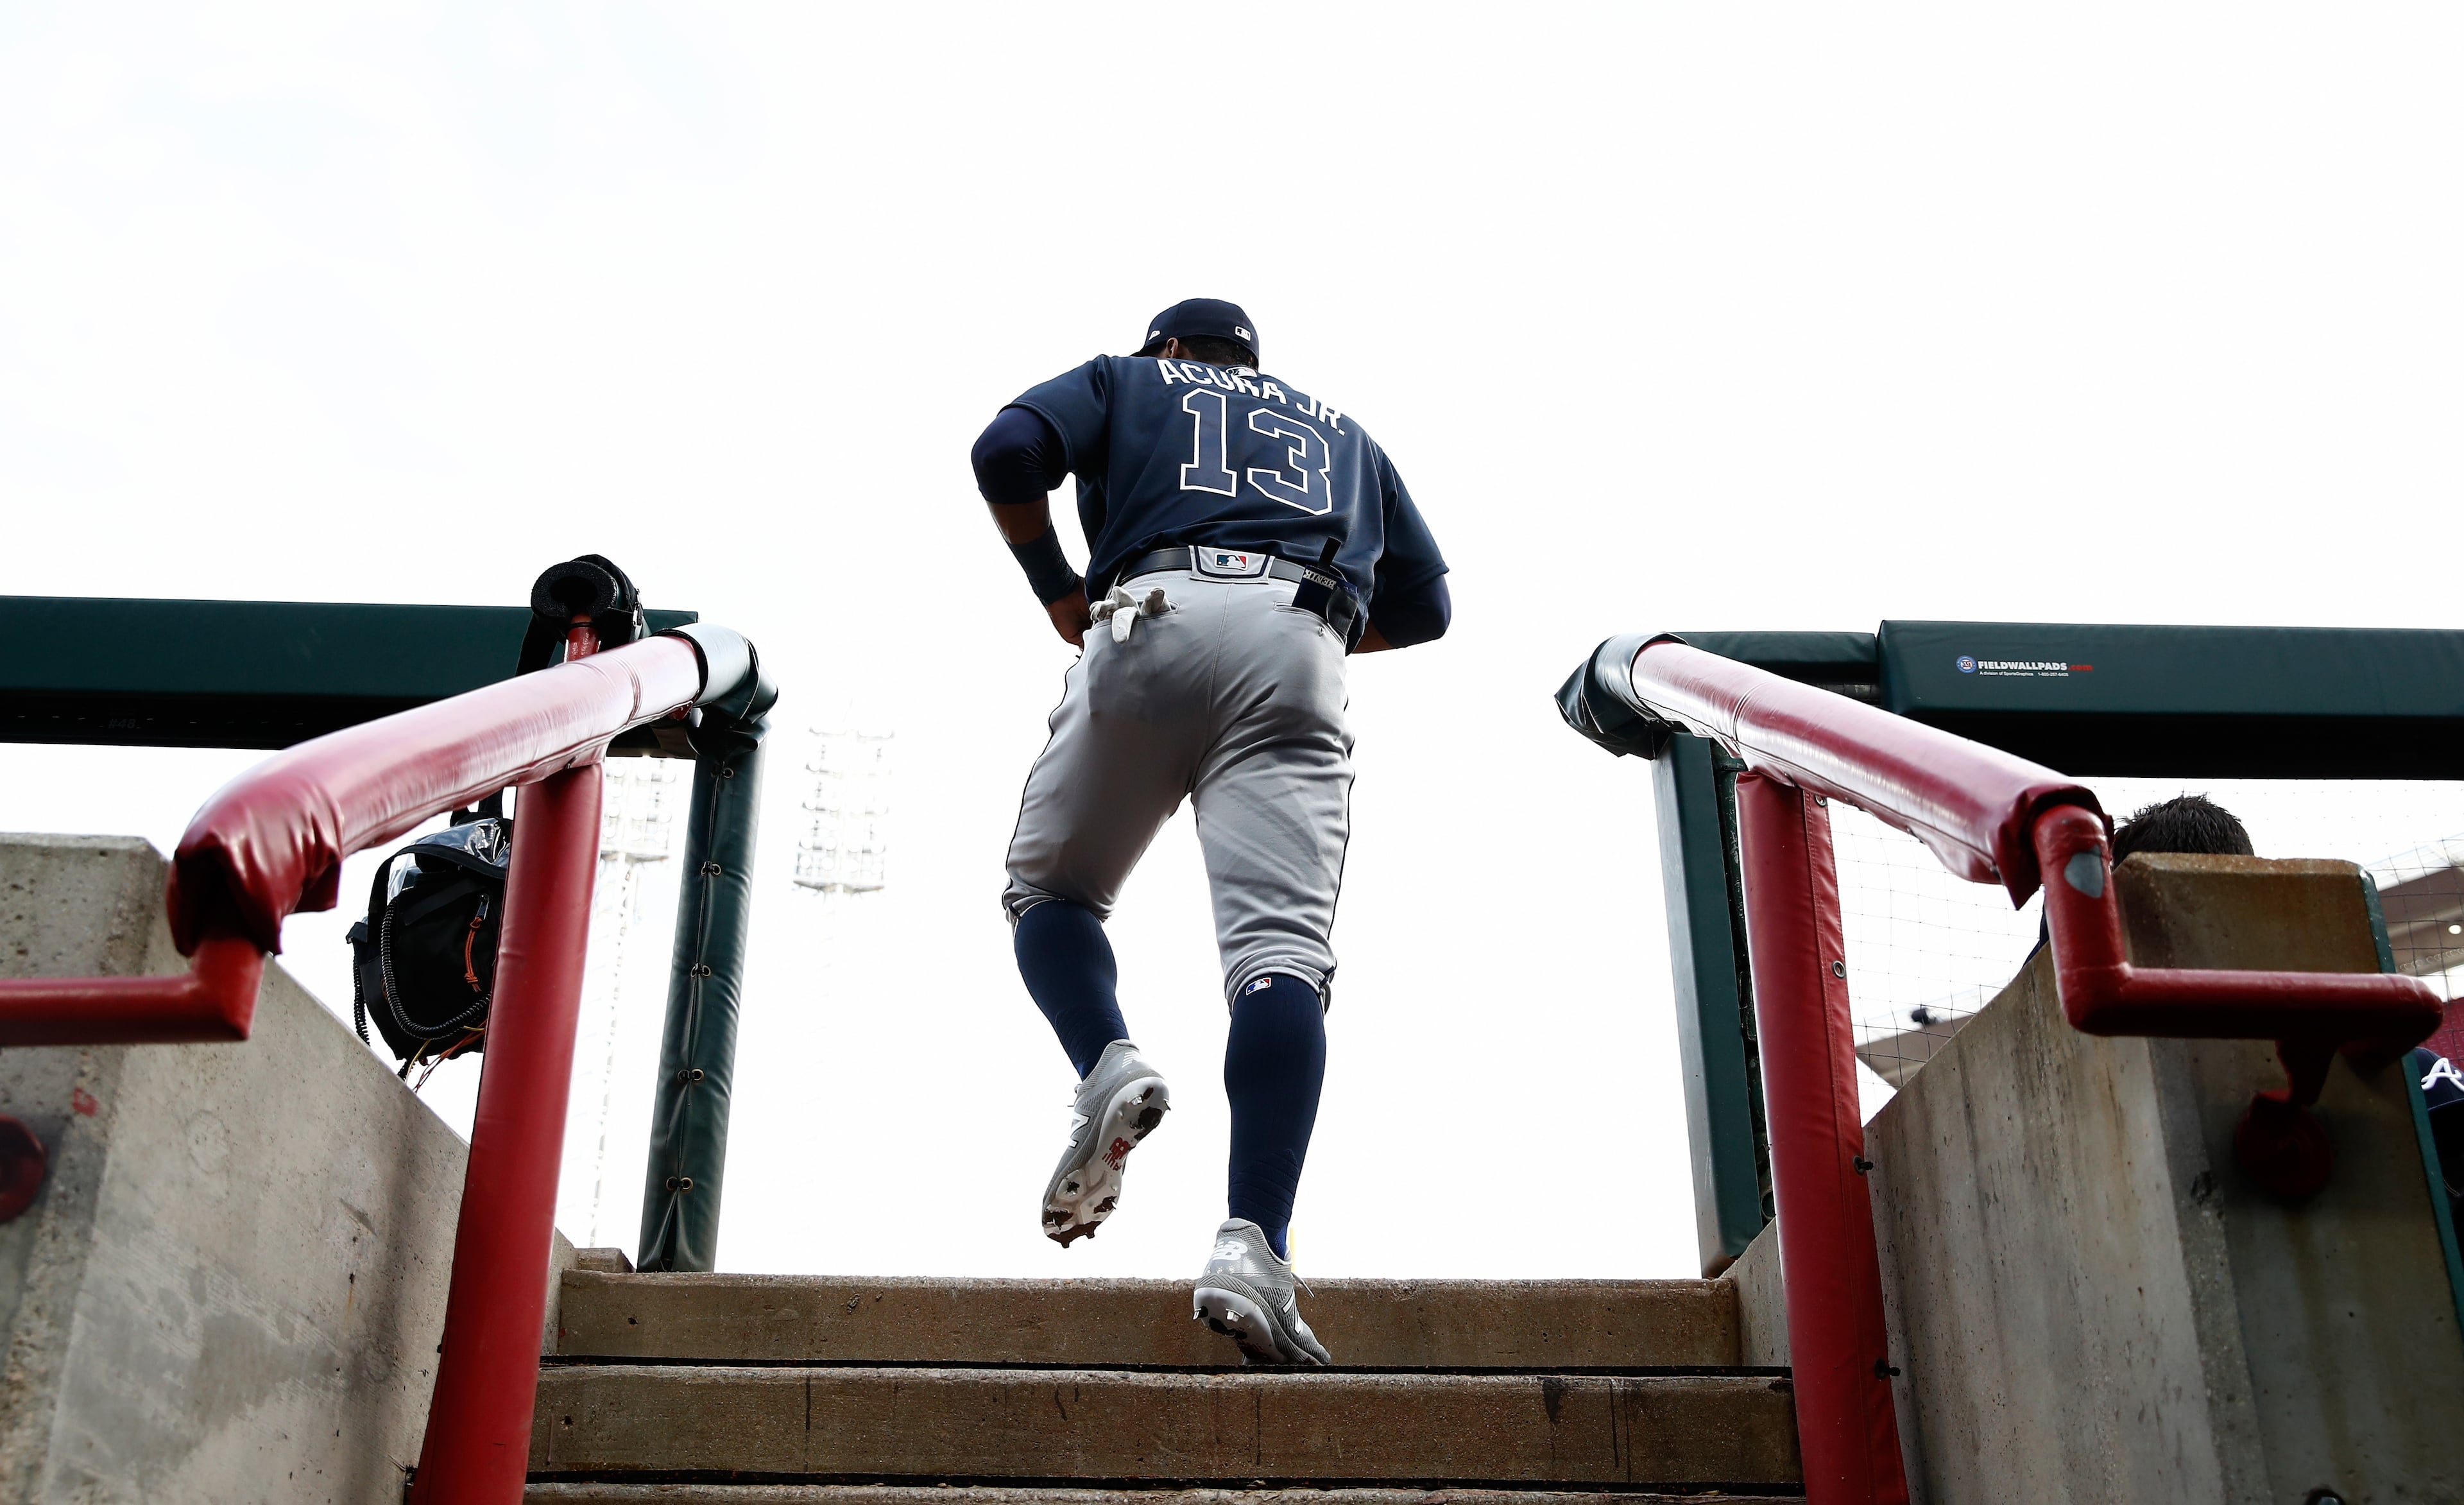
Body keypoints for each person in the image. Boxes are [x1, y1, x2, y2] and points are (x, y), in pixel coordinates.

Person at [971, 299, 1450, 1364]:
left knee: (1050, 893)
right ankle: (1252, 1247)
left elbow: (1006, 451)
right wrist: (1289, 634)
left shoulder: (1132, 379)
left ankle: (1106, 1063)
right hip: (1299, 631)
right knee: (1279, 958)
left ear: (1173, 351)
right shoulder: (1341, 430)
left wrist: (1058, 586)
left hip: (1146, 617)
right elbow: (1427, 610)